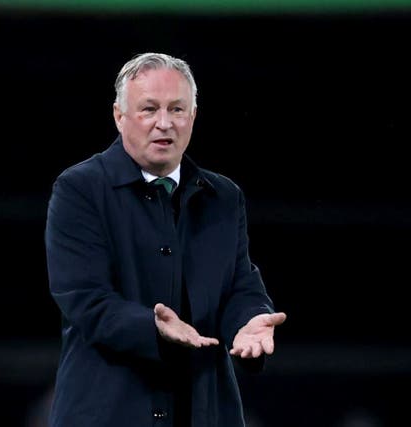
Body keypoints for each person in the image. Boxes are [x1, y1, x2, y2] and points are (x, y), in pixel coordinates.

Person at [44, 52, 286, 427]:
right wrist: (151, 327)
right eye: (148, 109)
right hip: (107, 412)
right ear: (118, 116)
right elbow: (83, 298)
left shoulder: (222, 197)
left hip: (204, 410)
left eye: (176, 109)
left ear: (193, 116)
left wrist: (250, 319)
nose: (164, 123)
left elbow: (239, 283)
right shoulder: (81, 190)